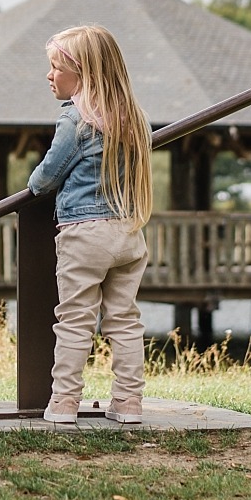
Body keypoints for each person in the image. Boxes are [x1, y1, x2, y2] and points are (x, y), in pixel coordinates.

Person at [26, 24, 154, 425]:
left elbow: (45, 178)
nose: (49, 76)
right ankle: (129, 404)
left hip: (85, 235)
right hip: (129, 233)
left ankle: (64, 403)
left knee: (76, 319)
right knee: (125, 320)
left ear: (83, 74)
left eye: (55, 68)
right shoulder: (135, 119)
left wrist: (31, 185)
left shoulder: (76, 121)